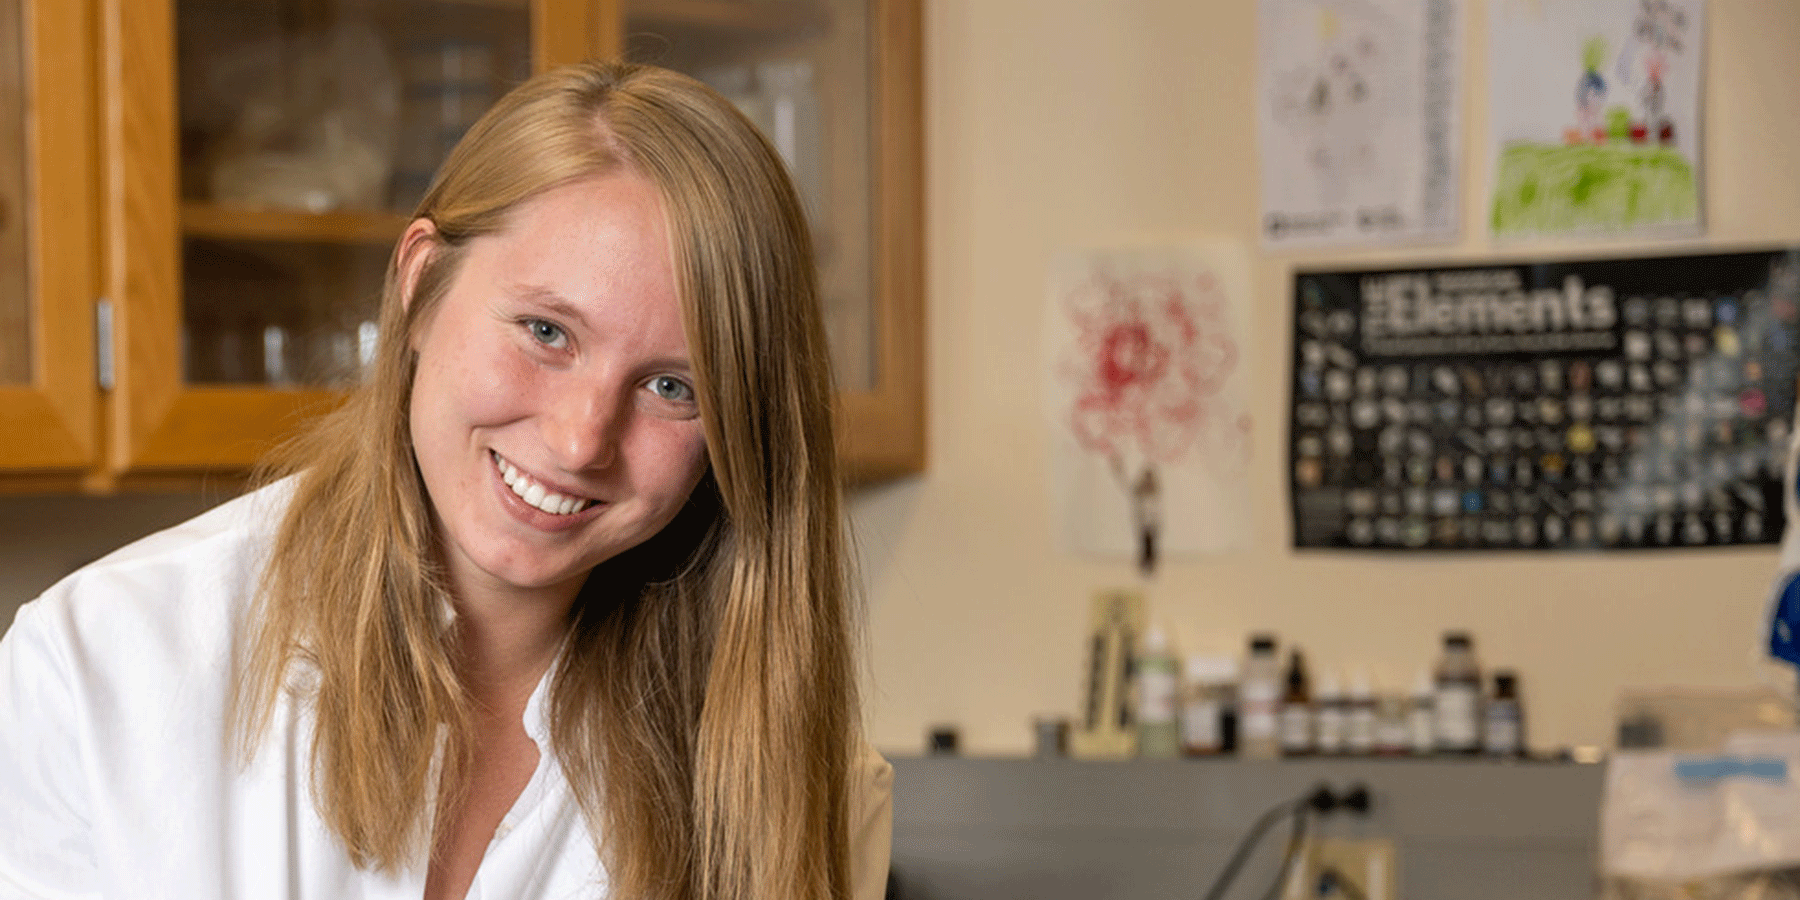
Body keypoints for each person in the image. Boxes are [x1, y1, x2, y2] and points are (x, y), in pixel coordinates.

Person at [0, 60, 891, 900]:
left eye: (673, 387)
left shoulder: (806, 787)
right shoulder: (98, 669)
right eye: (547, 332)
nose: (582, 440)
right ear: (422, 286)